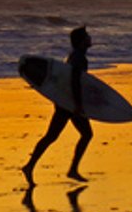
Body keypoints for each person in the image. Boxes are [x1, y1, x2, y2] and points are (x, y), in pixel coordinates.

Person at [23, 26, 94, 183]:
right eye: (87, 36)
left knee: (56, 136)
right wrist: (77, 105)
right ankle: (32, 166)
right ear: (82, 41)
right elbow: (74, 81)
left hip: (65, 102)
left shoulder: (75, 55)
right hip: (69, 104)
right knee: (76, 135)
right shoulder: (79, 58)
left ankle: (32, 166)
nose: (90, 38)